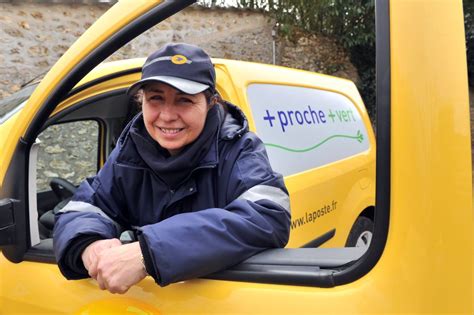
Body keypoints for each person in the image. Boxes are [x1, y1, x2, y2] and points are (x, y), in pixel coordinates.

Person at [53, 43, 291, 294]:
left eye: (184, 100)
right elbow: (88, 205)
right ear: (141, 100)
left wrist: (148, 252)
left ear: (211, 103)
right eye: (155, 98)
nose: (167, 115)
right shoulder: (129, 151)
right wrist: (88, 245)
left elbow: (269, 215)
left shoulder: (239, 148)